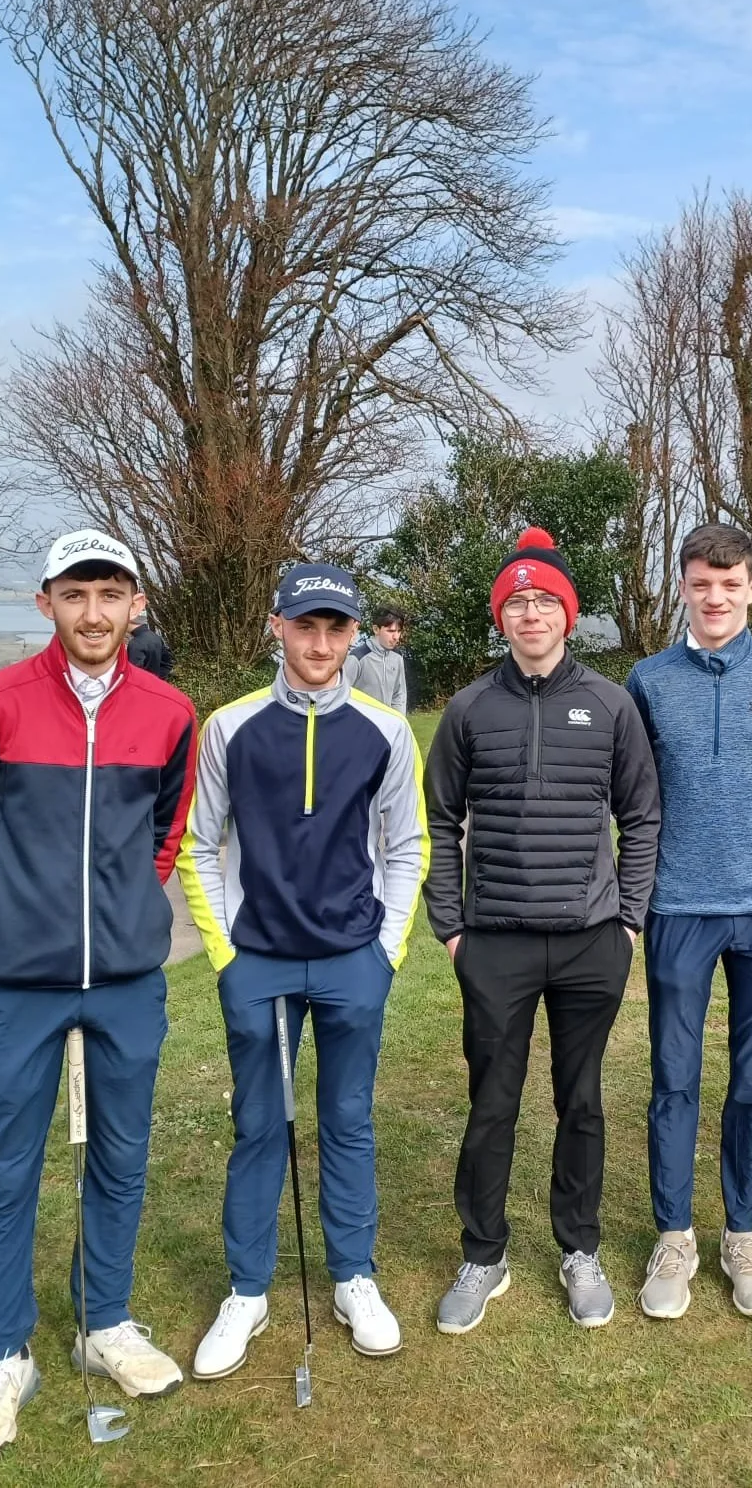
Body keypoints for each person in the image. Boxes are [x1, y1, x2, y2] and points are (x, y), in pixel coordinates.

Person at [0, 529, 199, 1461]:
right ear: (45, 602)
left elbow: (165, 830)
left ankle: (106, 1321)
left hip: (126, 982)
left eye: (110, 594)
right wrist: (11, 914)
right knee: (10, 1168)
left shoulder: (170, 711)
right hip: (22, 985)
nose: (94, 613)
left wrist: (123, 910)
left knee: (121, 1159)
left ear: (135, 606)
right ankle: (5, 1354)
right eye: (75, 594)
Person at [179, 563, 427, 1374]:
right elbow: (198, 844)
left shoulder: (386, 730)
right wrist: (226, 954)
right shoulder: (230, 727)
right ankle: (247, 1290)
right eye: (306, 626)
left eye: (336, 629)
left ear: (355, 635)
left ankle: (354, 1277)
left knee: (348, 1120)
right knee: (260, 1125)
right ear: (277, 627)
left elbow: (407, 846)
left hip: (354, 959)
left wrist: (386, 953)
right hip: (259, 962)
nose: (320, 645)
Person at [426, 527, 660, 1334]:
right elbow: (438, 818)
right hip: (495, 940)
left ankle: (579, 1248)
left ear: (568, 613)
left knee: (581, 1101)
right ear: (502, 617)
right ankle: (483, 1254)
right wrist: (452, 927)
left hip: (592, 939)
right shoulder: (468, 709)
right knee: (492, 1103)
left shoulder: (611, 704)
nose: (531, 614)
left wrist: (628, 920)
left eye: (544, 601)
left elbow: (642, 815)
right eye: (517, 602)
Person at [625, 523, 752, 1320]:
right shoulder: (647, 680)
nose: (715, 597)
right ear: (683, 587)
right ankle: (675, 1235)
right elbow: (636, 789)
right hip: (678, 906)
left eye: (730, 583)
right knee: (674, 1078)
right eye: (701, 583)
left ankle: (743, 1232)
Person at [345, 605, 409, 714]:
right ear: (376, 629)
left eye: (399, 631)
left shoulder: (397, 657)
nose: (396, 637)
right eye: (391, 631)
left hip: (388, 723)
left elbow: (399, 695)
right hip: (361, 722)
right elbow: (340, 695)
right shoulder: (357, 658)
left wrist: (399, 719)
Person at [128, 605, 175, 681]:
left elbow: (133, 675)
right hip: (155, 684)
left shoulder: (135, 644)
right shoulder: (156, 637)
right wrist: (155, 681)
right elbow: (167, 665)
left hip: (141, 686)